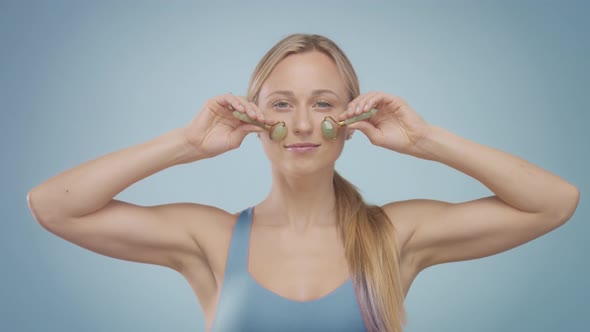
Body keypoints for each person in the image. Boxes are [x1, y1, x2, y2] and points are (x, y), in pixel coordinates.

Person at [26, 33, 580, 332]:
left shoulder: (394, 236)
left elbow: (555, 203)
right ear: (254, 119)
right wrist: (187, 144)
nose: (304, 123)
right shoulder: (211, 240)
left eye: (324, 103)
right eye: (281, 104)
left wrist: (425, 140)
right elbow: (54, 206)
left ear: (350, 122)